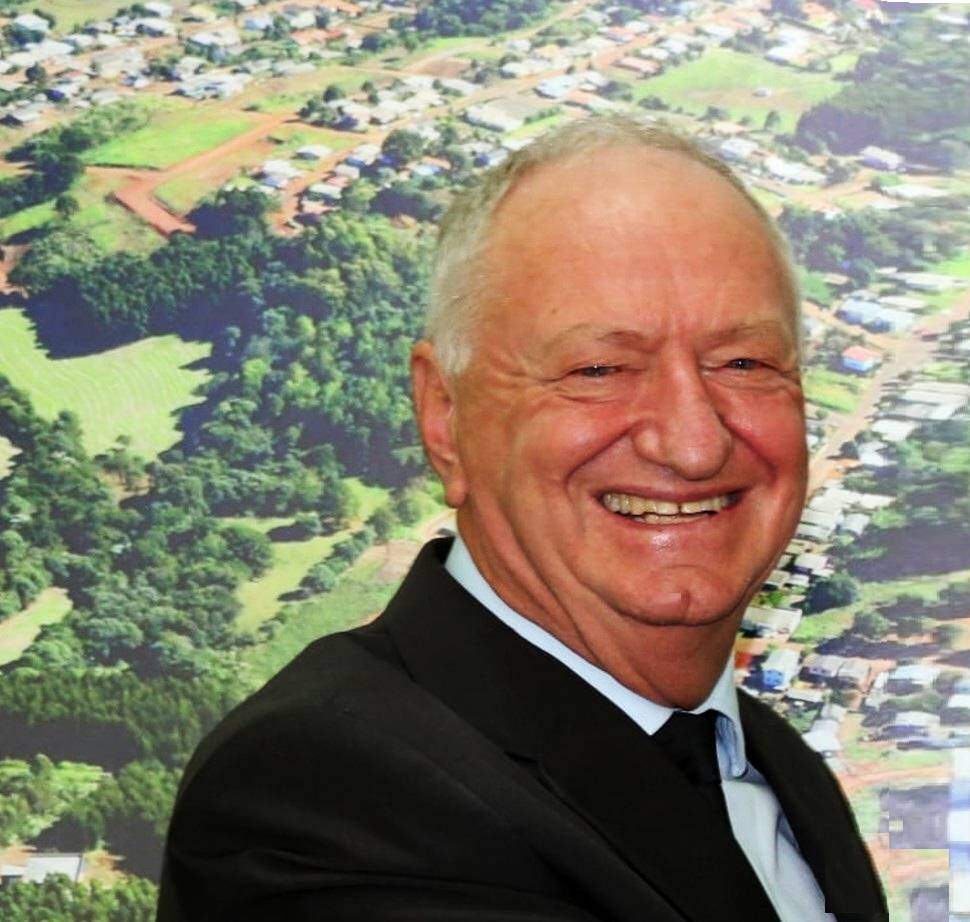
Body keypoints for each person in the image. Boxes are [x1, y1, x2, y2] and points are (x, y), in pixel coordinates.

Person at [157, 115, 887, 922]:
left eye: (744, 362)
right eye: (599, 368)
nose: (692, 443)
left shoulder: (774, 768)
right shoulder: (325, 791)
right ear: (444, 418)